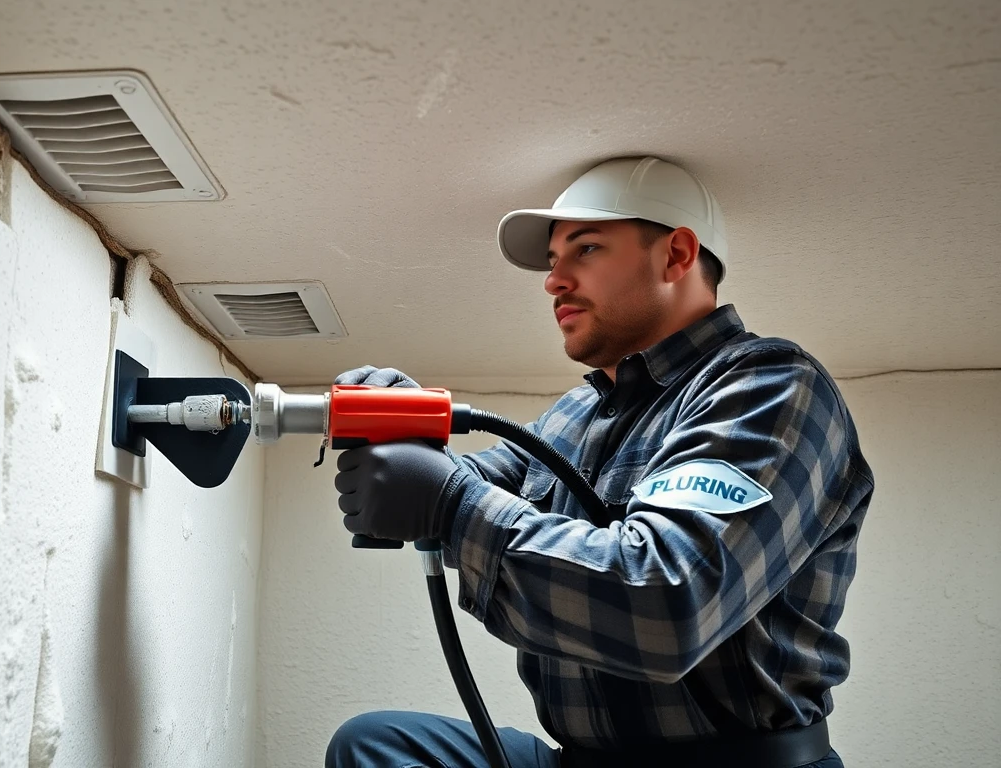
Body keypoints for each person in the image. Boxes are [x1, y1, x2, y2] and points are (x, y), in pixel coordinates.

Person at [326, 157, 873, 768]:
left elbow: (670, 603)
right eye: (553, 261)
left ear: (676, 254)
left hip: (735, 760)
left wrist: (447, 501)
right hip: (583, 757)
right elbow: (466, 480)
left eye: (585, 249)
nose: (553, 281)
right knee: (375, 745)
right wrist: (408, 437)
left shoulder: (767, 387)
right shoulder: (576, 414)